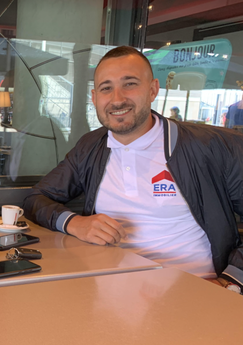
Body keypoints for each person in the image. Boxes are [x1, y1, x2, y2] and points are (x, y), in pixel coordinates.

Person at [24, 45, 243, 294]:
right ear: (95, 98)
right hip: (108, 287)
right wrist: (74, 223)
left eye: (129, 84)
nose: (117, 99)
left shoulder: (214, 146)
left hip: (194, 292)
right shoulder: (91, 146)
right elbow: (35, 199)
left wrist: (231, 281)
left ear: (152, 90)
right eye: (106, 88)